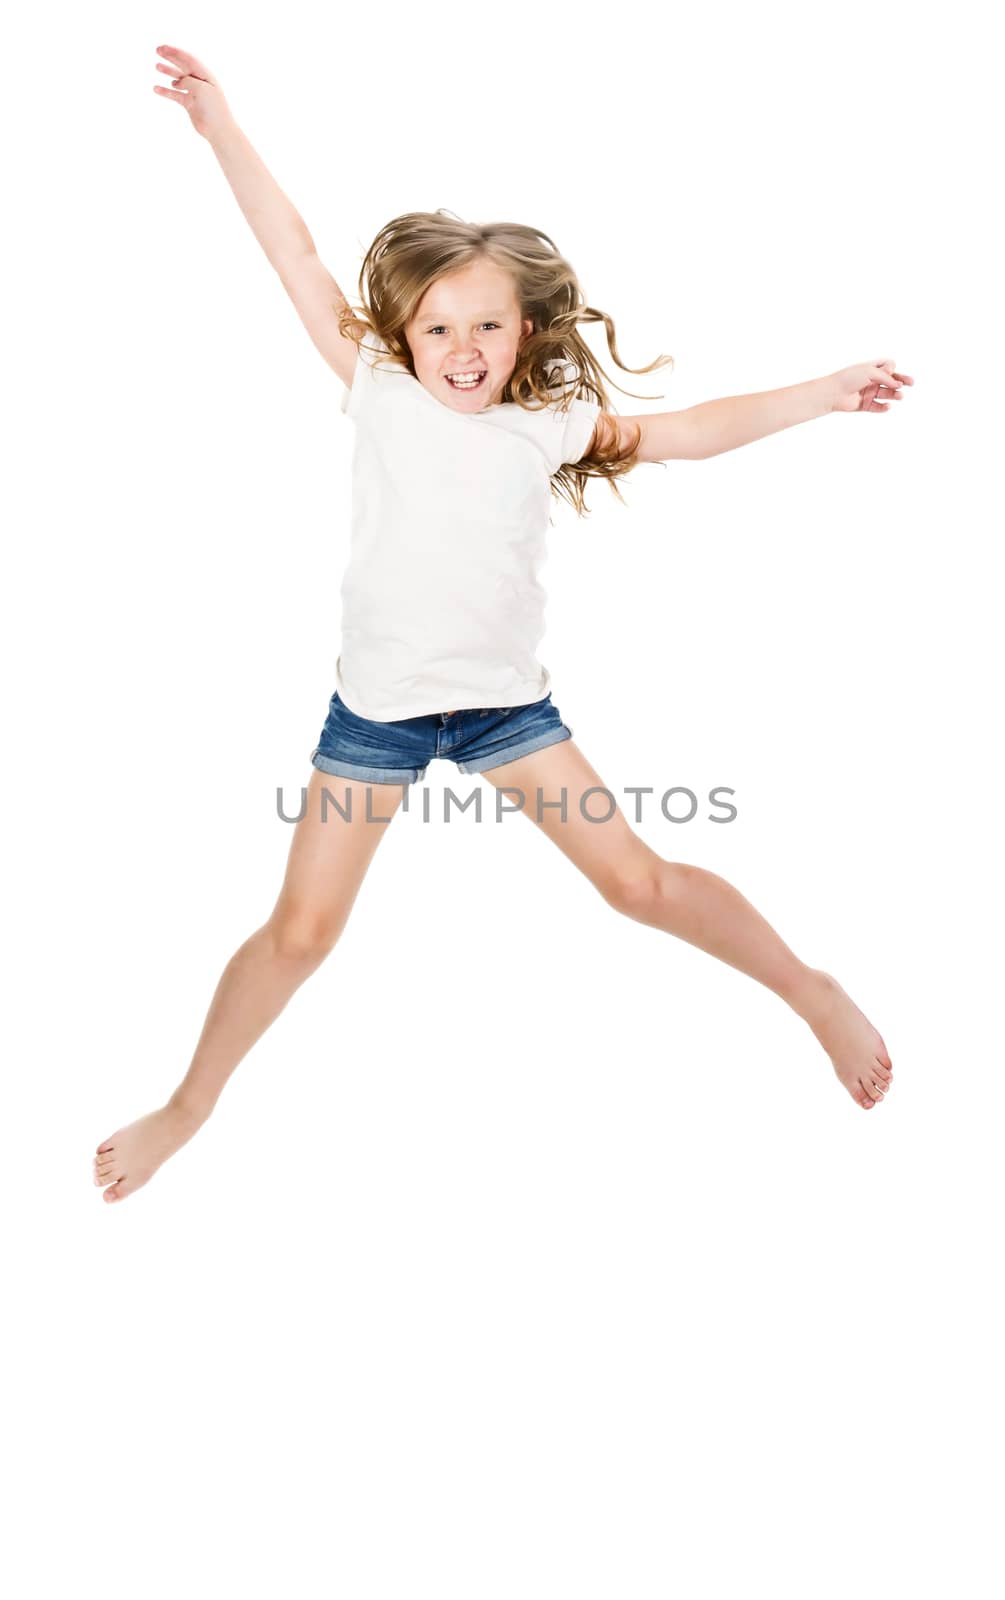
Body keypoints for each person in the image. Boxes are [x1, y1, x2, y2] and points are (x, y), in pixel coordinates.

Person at [94, 44, 911, 1205]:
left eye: (486, 328)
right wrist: (222, 127)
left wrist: (819, 395)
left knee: (637, 883)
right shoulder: (371, 380)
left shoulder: (552, 423)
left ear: (524, 333)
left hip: (504, 714)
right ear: (404, 338)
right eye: (437, 332)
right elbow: (293, 250)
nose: (462, 352)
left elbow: (691, 428)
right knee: (300, 934)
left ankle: (813, 990)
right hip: (374, 717)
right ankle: (185, 1107)